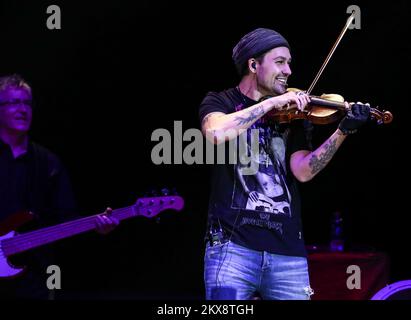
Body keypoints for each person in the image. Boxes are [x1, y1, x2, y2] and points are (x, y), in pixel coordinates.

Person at [199, 28, 370, 300]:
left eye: (289, 62)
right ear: (253, 65)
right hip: (231, 249)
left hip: (287, 253)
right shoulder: (221, 101)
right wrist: (271, 104)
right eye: (280, 62)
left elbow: (303, 171)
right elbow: (216, 133)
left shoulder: (293, 115)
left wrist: (343, 132)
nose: (288, 70)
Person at [0, 74, 119, 299]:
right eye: (14, 102)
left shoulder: (48, 162)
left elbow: (66, 218)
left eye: (27, 103)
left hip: (34, 277)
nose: (23, 109)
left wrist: (97, 226)